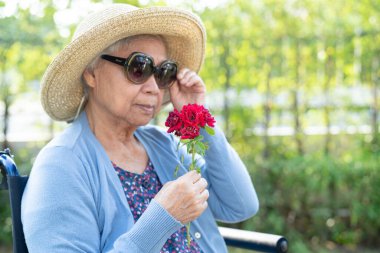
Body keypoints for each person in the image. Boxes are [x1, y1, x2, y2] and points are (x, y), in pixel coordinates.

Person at [21, 3, 259, 253]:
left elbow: (240, 206)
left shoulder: (163, 144)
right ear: (91, 73)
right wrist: (162, 217)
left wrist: (197, 118)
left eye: (163, 73)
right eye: (139, 68)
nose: (154, 88)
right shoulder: (62, 165)